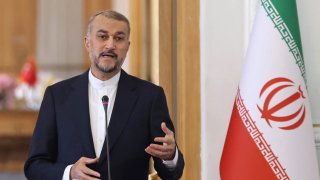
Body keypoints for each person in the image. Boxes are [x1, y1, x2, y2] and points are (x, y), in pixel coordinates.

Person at [24, 10, 184, 180]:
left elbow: (172, 174)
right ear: (87, 43)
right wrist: (69, 173)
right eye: (102, 36)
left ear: (127, 47)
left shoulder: (150, 97)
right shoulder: (57, 96)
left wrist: (170, 156)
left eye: (119, 38)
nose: (110, 45)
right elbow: (34, 166)